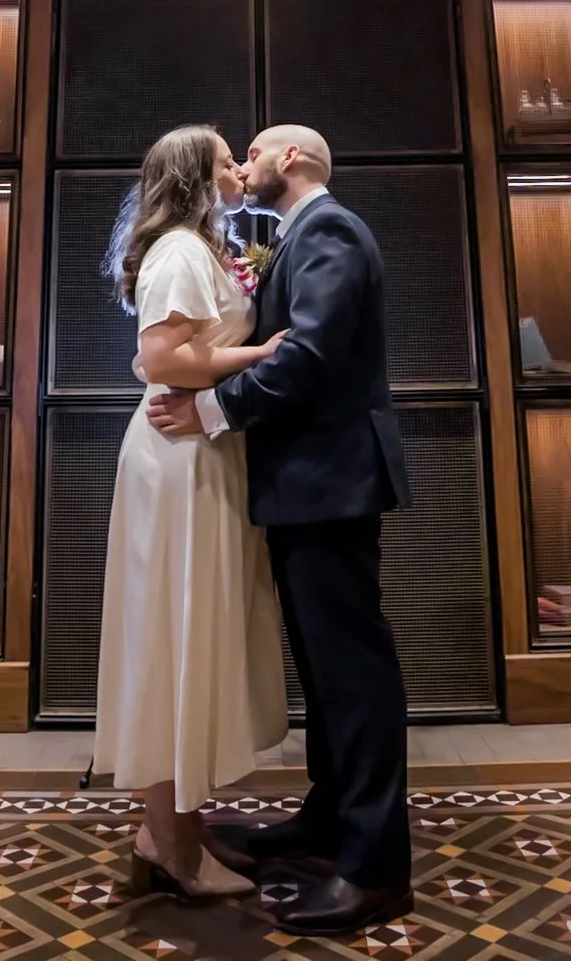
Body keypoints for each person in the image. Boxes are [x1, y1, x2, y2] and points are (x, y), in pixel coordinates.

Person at [146, 123, 416, 936]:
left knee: (354, 671)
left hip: (331, 481)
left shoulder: (328, 227)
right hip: (307, 484)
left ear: (288, 158)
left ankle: (375, 869)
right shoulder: (297, 235)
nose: (245, 165)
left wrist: (211, 409)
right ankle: (328, 820)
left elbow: (309, 354)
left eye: (252, 152)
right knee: (329, 669)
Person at [94, 124, 290, 897]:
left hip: (199, 453)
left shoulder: (198, 246)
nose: (241, 168)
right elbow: (164, 355)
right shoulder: (178, 250)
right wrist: (260, 352)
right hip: (175, 461)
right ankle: (172, 848)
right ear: (195, 179)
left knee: (190, 630)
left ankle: (175, 828)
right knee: (172, 633)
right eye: (225, 162)